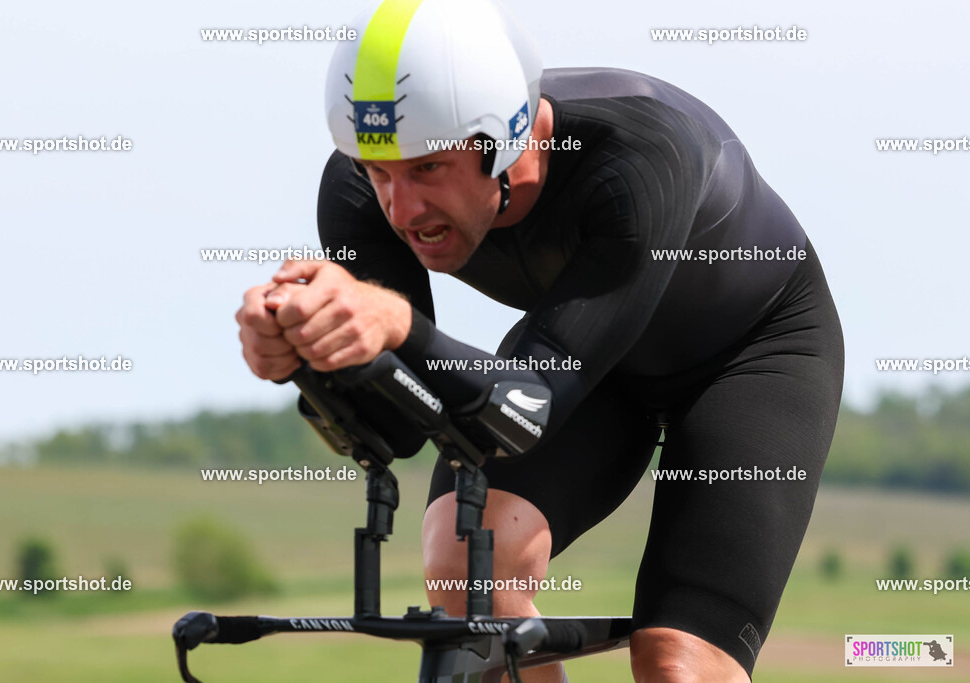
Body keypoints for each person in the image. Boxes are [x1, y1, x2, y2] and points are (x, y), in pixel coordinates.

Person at [235, 0, 845, 680]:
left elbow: (531, 403)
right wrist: (310, 364)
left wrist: (397, 327)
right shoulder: (355, 191)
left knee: (678, 661)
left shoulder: (637, 154)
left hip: (747, 353)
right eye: (379, 171)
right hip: (588, 358)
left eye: (428, 168)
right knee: (467, 574)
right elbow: (399, 428)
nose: (401, 209)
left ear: (505, 139)